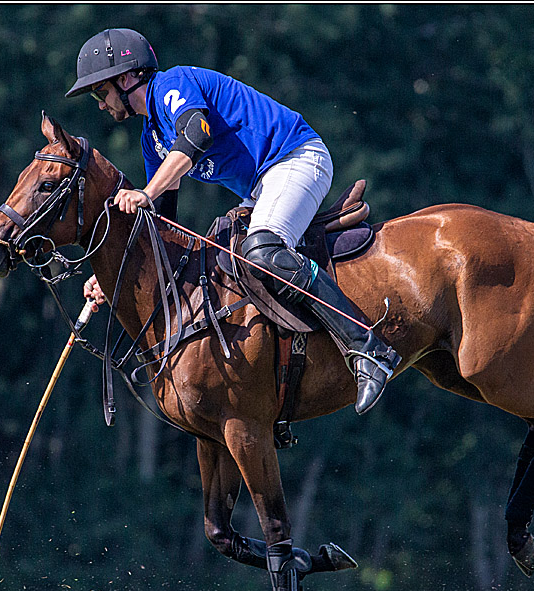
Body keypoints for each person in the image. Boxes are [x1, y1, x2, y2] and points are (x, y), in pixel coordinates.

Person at [70, 28, 399, 415]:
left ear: (126, 79)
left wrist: (145, 191)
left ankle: (367, 346)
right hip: (262, 185)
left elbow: (196, 135)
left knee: (263, 249)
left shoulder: (172, 85)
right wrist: (114, 277)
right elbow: (163, 227)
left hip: (294, 157)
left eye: (99, 92)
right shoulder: (152, 137)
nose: (100, 104)